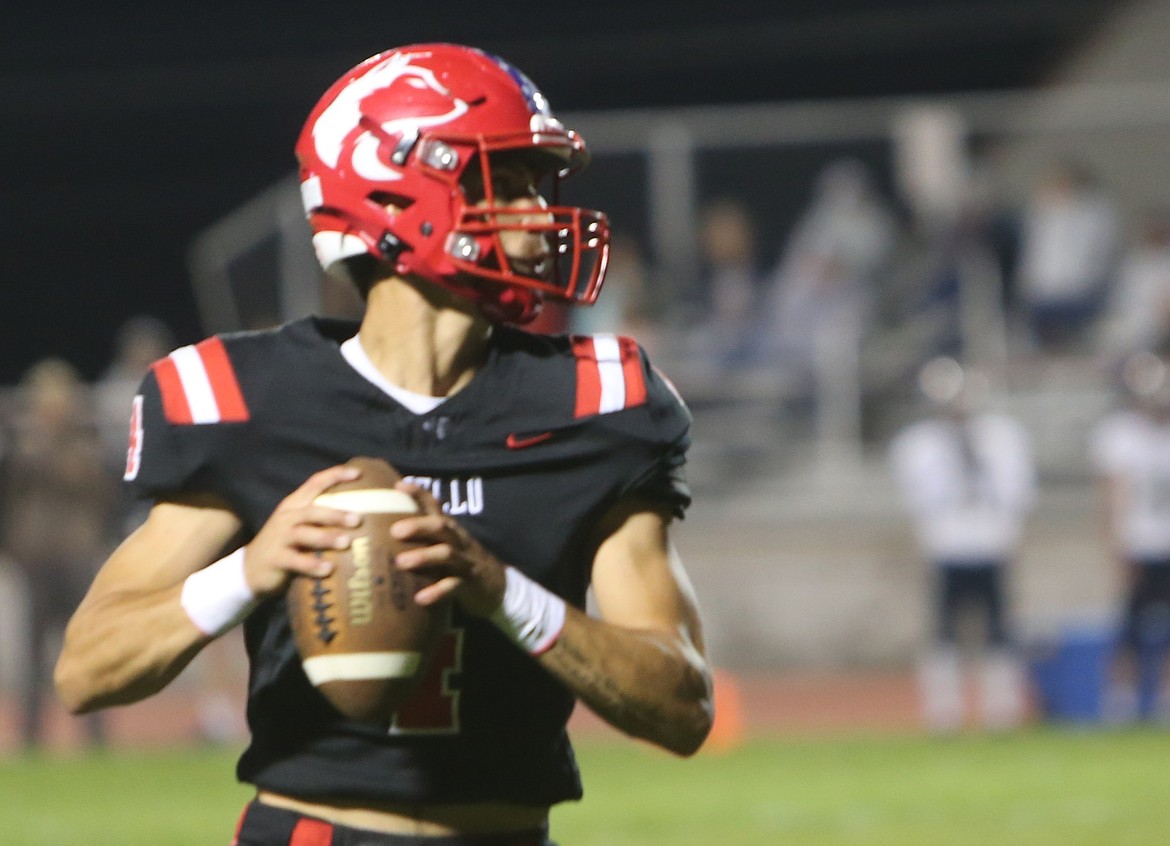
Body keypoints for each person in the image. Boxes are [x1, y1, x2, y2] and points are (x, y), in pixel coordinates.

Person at [55, 43, 713, 845]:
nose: (540, 212)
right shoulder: (249, 399)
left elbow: (683, 709)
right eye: (505, 181)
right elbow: (87, 669)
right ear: (401, 195)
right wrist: (250, 568)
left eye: (538, 183)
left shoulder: (595, 401)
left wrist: (499, 588)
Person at [889, 356, 1036, 733]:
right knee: (944, 633)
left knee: (999, 630)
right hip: (947, 546)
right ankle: (944, 711)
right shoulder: (919, 443)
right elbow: (918, 499)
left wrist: (1011, 535)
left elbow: (1017, 492)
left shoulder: (1002, 435)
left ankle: (1001, 709)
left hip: (991, 543)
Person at [2, 358, 112, 750]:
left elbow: (84, 480)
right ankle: (31, 737)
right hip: (35, 560)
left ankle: (96, 735)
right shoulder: (21, 445)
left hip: (74, 558)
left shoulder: (82, 438)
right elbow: (13, 495)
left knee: (85, 649)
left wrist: (44, 444)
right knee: (32, 657)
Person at [1091, 349, 1170, 722]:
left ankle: (1164, 699)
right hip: (1139, 543)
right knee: (1129, 628)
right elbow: (1114, 496)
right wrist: (1117, 546)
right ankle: (1120, 700)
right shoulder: (1120, 434)